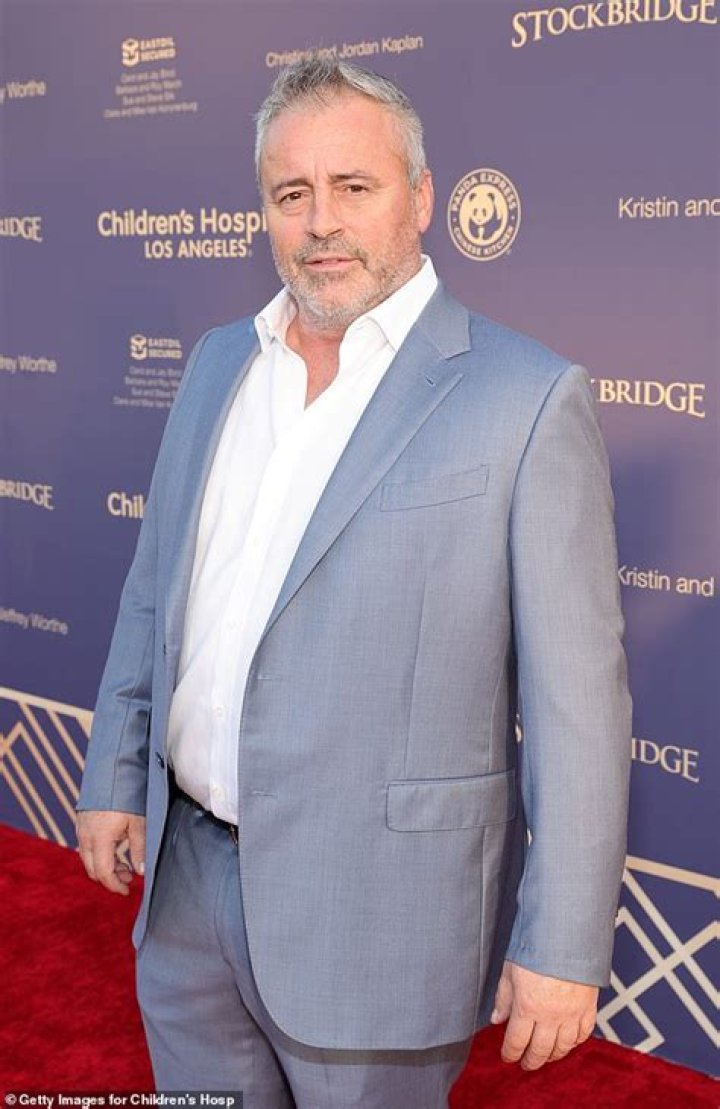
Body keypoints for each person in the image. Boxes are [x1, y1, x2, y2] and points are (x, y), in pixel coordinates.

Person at [76, 55, 632, 1109]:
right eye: (292, 192)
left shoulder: (524, 398)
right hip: (187, 884)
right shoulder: (217, 365)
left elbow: (578, 703)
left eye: (354, 186)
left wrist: (563, 940)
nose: (320, 221)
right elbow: (155, 592)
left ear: (420, 197)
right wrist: (116, 769)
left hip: (381, 919)